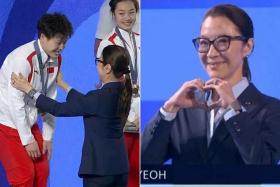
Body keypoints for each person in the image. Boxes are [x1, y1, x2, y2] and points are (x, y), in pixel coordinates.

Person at [142, 4, 280, 165]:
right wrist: (168, 110)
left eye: (223, 41)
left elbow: (263, 167)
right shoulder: (184, 108)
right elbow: (144, 165)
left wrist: (234, 110)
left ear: (247, 46)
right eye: (204, 43)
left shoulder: (271, 110)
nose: (211, 53)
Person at [11, 45, 133, 187]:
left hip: (99, 171)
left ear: (107, 68)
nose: (97, 63)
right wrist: (63, 85)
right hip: (120, 169)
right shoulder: (123, 92)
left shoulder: (98, 97)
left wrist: (29, 90)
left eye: (99, 61)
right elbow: (87, 103)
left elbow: (58, 109)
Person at [0, 13, 73, 186]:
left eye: (65, 42)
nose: (61, 46)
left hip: (28, 122)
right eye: (58, 41)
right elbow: (15, 103)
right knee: (24, 176)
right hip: (7, 123)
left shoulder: (56, 58)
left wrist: (48, 137)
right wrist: (27, 140)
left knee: (42, 171)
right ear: (42, 36)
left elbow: (50, 99)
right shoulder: (22, 60)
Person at [96, 0, 140, 186]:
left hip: (141, 112)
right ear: (113, 14)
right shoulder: (107, 44)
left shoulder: (142, 38)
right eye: (121, 13)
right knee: (118, 172)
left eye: (131, 12)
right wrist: (127, 116)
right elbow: (108, 85)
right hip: (120, 112)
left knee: (139, 171)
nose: (127, 18)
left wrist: (142, 112)